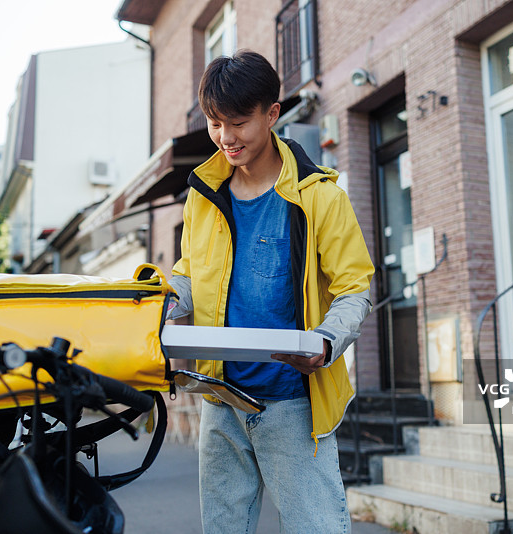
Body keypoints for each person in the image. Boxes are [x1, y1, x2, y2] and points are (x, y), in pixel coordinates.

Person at [167, 50, 374, 534]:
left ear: (272, 114)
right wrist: (159, 306)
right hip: (220, 400)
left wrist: (326, 342)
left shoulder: (321, 196)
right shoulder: (203, 195)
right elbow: (188, 274)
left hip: (291, 402)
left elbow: (354, 289)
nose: (225, 138)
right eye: (216, 124)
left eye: (238, 122)